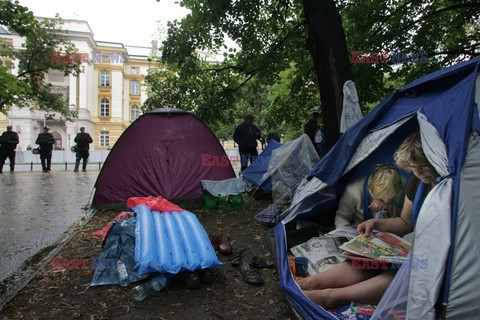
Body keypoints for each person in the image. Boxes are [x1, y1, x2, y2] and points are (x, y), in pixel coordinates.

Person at [298, 132, 439, 309]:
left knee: (401, 273)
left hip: (432, 253)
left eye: (423, 167)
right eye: (413, 167)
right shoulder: (416, 183)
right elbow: (405, 223)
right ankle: (312, 282)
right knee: (366, 261)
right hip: (410, 245)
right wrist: (375, 224)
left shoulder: (451, 187)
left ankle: (332, 296)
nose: (418, 172)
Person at [335, 164, 405, 228]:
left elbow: (404, 219)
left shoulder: (402, 186)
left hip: (388, 231)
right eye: (381, 198)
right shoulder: (353, 191)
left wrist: (389, 207)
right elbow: (342, 217)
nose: (386, 201)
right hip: (359, 230)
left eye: (390, 198)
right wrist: (346, 234)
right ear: (371, 188)